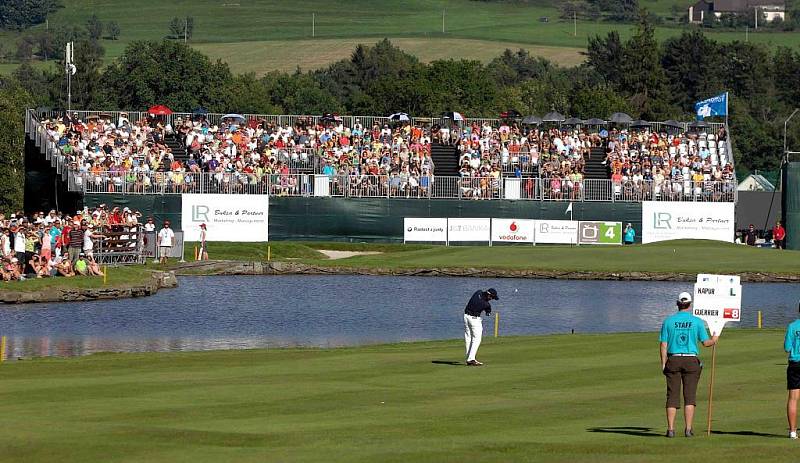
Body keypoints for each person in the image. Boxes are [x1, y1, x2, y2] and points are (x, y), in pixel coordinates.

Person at [659, 291, 719, 438]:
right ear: (690, 304)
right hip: (691, 360)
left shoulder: (668, 321)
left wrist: (663, 363)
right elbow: (706, 343)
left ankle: (671, 429)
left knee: (672, 396)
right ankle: (688, 429)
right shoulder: (697, 321)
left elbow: (663, 344)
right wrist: (715, 338)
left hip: (673, 359)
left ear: (677, 304)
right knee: (689, 396)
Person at [463, 288, 499, 366]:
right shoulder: (485, 304)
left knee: (468, 337)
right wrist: (488, 312)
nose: (492, 299)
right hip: (474, 320)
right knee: (477, 339)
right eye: (492, 297)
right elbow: (487, 309)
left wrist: (487, 310)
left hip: (466, 317)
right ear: (489, 295)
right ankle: (471, 359)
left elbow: (481, 300)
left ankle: (468, 357)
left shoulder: (478, 292)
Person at [784, 302, 800, 439]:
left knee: (793, 398)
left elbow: (787, 348)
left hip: (795, 364)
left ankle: (793, 432)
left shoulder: (792, 326)